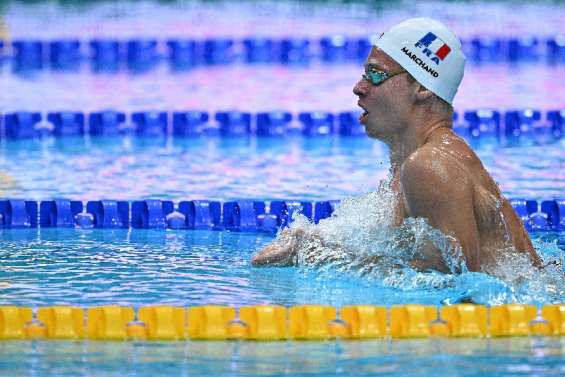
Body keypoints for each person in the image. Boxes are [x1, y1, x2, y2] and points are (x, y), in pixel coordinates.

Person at [251, 18, 541, 273]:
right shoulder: (420, 163)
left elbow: (457, 285)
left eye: (375, 74)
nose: (359, 87)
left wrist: (313, 256)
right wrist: (314, 241)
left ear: (423, 88)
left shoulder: (429, 166)